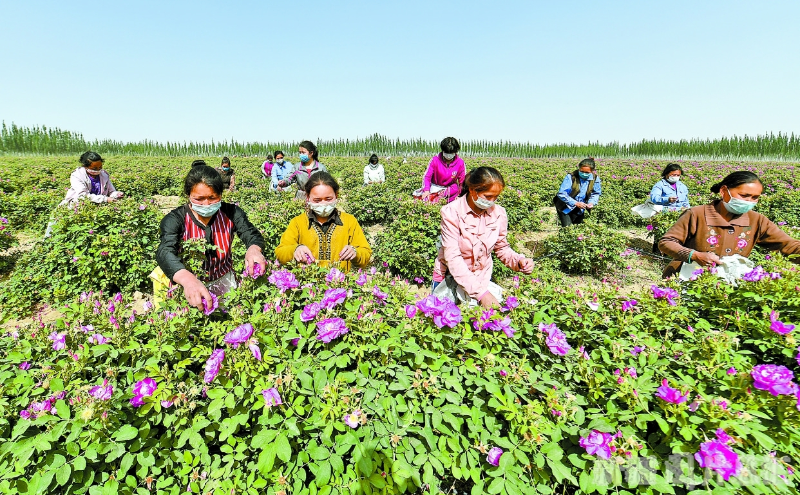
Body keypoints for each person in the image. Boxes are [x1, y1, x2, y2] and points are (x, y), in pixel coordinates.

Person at [154, 164, 266, 310]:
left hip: (222, 277)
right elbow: (165, 251)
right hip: (186, 283)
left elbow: (251, 234)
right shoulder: (175, 219)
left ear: (220, 194)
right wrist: (188, 280)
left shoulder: (231, 212)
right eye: (199, 199)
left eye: (212, 197)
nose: (206, 204)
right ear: (188, 195)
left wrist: (253, 249)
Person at [658, 171, 800, 278]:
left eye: (755, 197)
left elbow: (787, 245)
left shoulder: (757, 220)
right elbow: (666, 242)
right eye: (744, 196)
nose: (749, 201)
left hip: (729, 279)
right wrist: (694, 255)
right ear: (724, 191)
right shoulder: (697, 214)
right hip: (685, 276)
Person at [432, 167, 534, 309]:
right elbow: (453, 258)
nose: (492, 202)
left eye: (496, 197)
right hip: (450, 280)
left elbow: (502, 248)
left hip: (482, 279)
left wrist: (518, 261)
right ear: (473, 190)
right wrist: (482, 294)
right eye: (488, 196)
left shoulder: (499, 214)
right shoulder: (451, 212)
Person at [275, 171, 371, 272]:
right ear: (308, 198)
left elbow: (366, 254)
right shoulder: (298, 223)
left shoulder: (349, 221)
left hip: (339, 284)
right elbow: (280, 252)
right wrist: (295, 250)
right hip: (307, 284)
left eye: (328, 199)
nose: (323, 204)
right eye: (317, 200)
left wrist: (355, 252)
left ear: (336, 195)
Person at [60, 151, 124, 206]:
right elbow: (83, 196)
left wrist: (117, 194)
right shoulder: (77, 176)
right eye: (94, 168)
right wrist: (105, 199)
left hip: (99, 205)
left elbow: (111, 191)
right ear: (85, 166)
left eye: (100, 167)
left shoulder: (104, 175)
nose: (98, 170)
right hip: (78, 205)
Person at [414, 137, 466, 203]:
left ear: (455, 152)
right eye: (446, 152)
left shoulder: (460, 163)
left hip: (449, 189)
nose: (449, 156)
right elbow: (427, 177)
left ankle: (441, 198)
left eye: (451, 153)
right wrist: (426, 190)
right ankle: (436, 198)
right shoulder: (435, 160)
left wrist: (460, 195)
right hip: (435, 187)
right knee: (426, 199)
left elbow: (462, 182)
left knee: (455, 188)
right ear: (443, 150)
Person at [554, 158, 602, 227]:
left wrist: (591, 203)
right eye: (581, 171)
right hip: (565, 206)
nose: (584, 174)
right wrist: (575, 203)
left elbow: (595, 193)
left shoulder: (595, 179)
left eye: (587, 173)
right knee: (567, 228)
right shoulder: (571, 177)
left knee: (578, 228)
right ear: (579, 169)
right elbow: (562, 193)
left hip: (580, 207)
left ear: (592, 171)